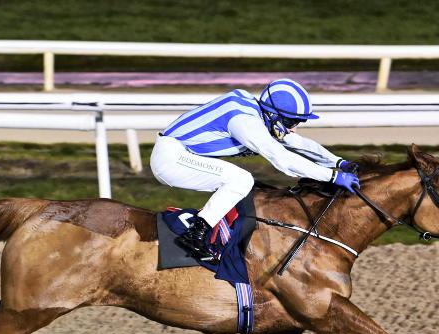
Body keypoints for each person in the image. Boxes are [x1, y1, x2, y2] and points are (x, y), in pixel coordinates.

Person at [150, 78, 360, 262]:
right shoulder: (244, 121)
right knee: (241, 180)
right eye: (291, 122)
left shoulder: (260, 114)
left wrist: (338, 162)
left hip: (182, 154)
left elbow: (297, 143)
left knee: (250, 187)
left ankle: (224, 236)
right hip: (170, 159)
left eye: (299, 122)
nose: (294, 128)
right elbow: (282, 159)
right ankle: (195, 235)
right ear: (273, 114)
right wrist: (332, 176)